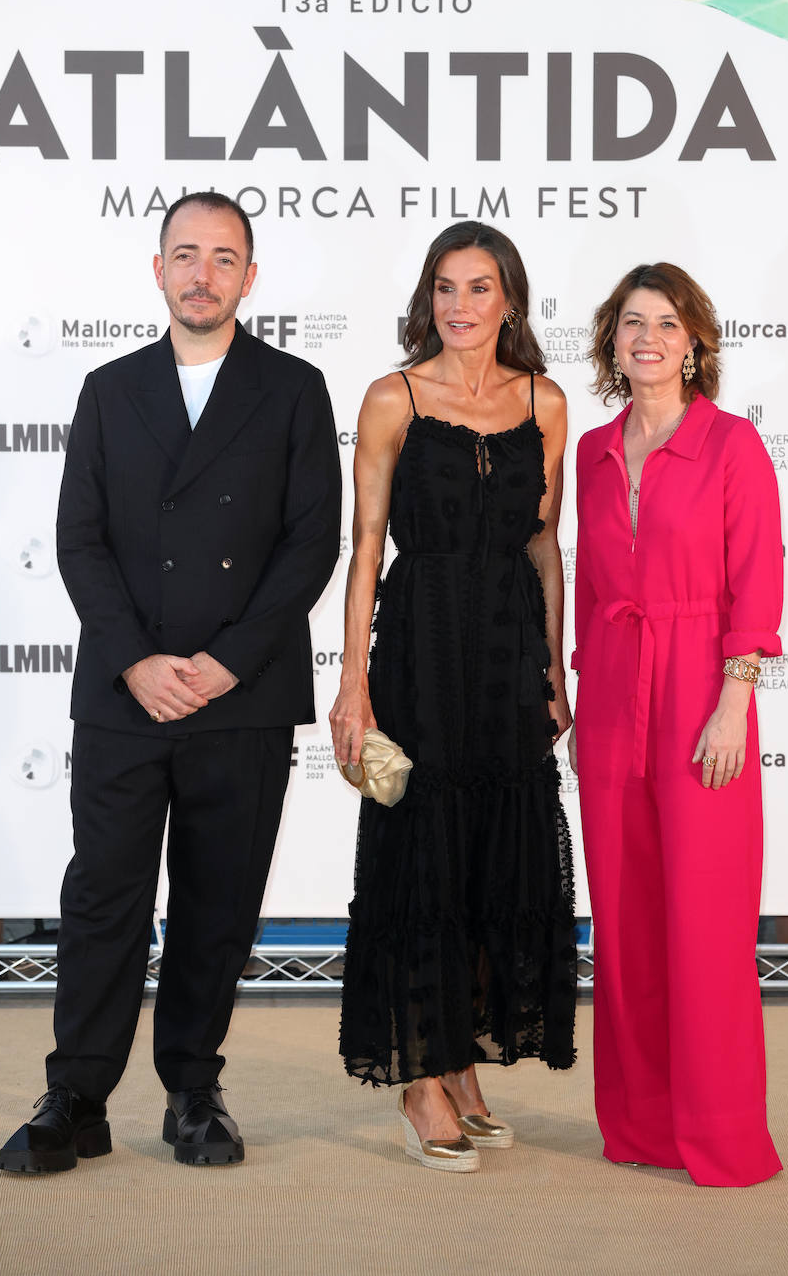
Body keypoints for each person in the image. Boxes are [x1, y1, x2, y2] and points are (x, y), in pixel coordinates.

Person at [0, 192, 341, 1173]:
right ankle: (77, 1095)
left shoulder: (293, 389)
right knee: (104, 891)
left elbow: (309, 541)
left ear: (248, 276)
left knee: (216, 900)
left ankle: (193, 1088)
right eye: (184, 254)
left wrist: (228, 660)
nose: (202, 273)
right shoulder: (111, 389)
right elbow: (79, 538)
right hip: (124, 687)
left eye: (222, 257)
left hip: (245, 687)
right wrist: (135, 659)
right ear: (158, 270)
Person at [330, 222, 577, 1173]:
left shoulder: (545, 403)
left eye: (480, 288)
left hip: (510, 656)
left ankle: (463, 1059)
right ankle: (421, 1078)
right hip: (423, 650)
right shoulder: (392, 398)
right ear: (427, 298)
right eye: (445, 287)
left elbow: (545, 546)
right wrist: (354, 683)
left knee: (493, 862)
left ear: (509, 298)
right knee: (424, 861)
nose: (461, 306)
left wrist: (554, 672)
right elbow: (366, 552)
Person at [569, 262, 783, 1187]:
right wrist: (579, 698)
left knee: (706, 922)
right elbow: (589, 589)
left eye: (666, 322)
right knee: (624, 925)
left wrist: (734, 702)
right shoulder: (591, 449)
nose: (647, 337)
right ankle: (644, 1126)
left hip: (702, 689)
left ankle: (722, 1134)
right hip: (614, 690)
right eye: (630, 323)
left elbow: (758, 584)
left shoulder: (734, 445)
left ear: (695, 342)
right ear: (611, 342)